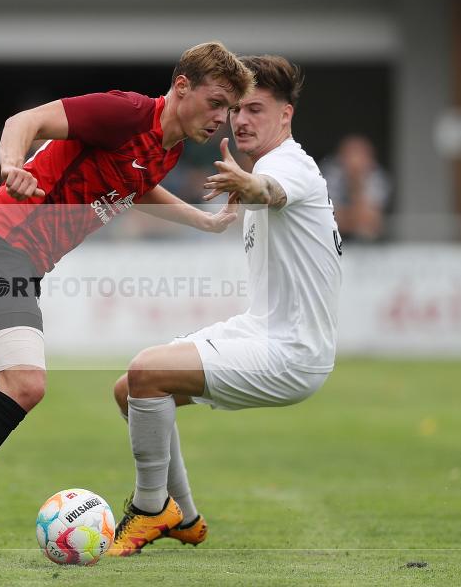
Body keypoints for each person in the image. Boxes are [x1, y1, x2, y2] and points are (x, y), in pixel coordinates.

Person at [0, 42, 255, 564]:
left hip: (2, 251)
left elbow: (140, 185)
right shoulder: (126, 112)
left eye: (230, 110)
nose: (222, 119)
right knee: (25, 383)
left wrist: (205, 221)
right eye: (216, 102)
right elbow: (27, 120)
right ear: (182, 87)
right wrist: (10, 165)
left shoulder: (168, 148)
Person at [106, 55, 343, 556]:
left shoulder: (288, 165)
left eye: (255, 108)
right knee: (131, 390)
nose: (240, 120)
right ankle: (184, 517)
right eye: (236, 109)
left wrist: (250, 184)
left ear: (286, 115)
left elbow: (271, 191)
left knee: (146, 372)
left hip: (292, 352)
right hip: (262, 331)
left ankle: (151, 509)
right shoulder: (267, 164)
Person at [321, 134, 391, 242]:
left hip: (369, 245)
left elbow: (372, 222)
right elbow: (330, 219)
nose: (354, 161)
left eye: (360, 155)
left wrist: (356, 182)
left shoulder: (377, 177)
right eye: (350, 154)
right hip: (330, 242)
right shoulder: (329, 175)